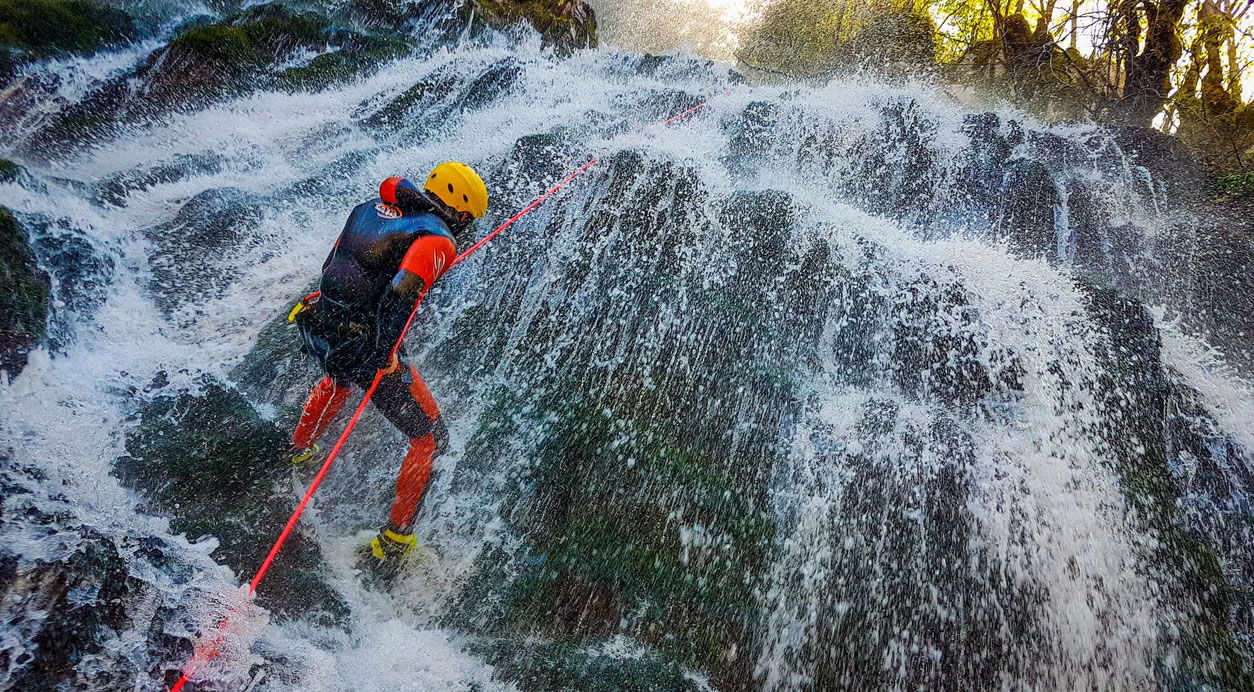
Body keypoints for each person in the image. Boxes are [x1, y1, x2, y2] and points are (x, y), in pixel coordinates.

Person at [286, 162, 487, 576]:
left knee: (337, 380)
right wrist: (385, 355)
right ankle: (395, 541)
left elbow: (333, 263)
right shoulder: (437, 240)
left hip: (318, 318)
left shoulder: (369, 207)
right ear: (462, 213)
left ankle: (299, 451)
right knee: (426, 439)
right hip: (364, 345)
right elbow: (400, 295)